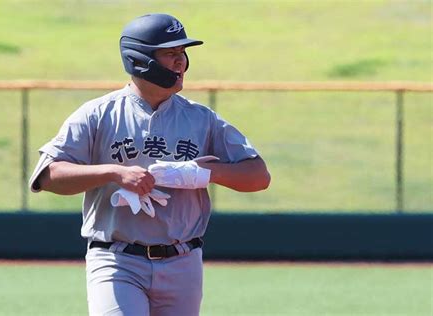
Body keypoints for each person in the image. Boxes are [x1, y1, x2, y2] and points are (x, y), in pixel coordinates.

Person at [29, 13, 271, 316]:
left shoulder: (201, 119)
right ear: (141, 59)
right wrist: (113, 173)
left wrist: (200, 173)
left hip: (183, 260)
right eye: (170, 53)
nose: (181, 62)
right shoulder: (98, 114)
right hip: (116, 260)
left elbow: (258, 176)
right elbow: (49, 175)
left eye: (183, 53)